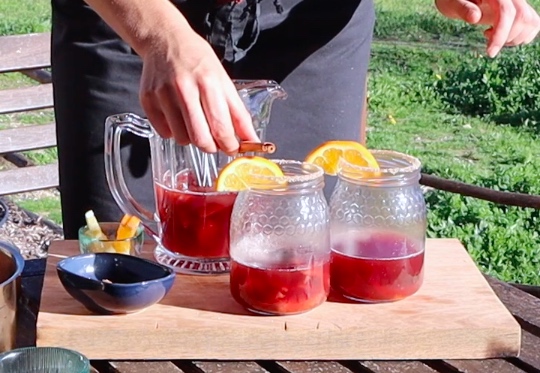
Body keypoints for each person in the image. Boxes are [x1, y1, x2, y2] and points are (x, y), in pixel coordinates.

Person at [51, 0, 540, 239]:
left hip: (314, 20)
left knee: (296, 248)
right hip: (136, 18)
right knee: (122, 266)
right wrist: (158, 35)